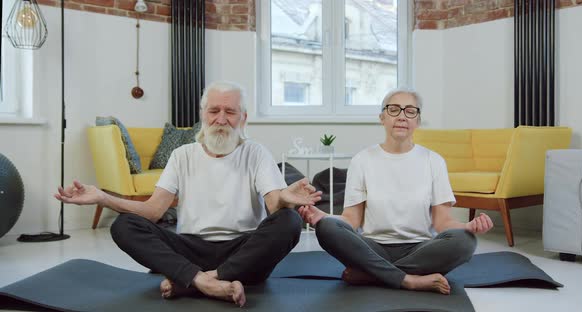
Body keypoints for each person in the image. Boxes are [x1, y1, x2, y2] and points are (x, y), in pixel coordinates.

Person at [55, 81, 322, 307]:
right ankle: (204, 281)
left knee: (289, 221)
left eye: (230, 111)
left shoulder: (256, 152)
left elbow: (274, 205)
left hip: (243, 252)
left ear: (244, 117)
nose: (221, 119)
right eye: (214, 110)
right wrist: (103, 197)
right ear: (202, 114)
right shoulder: (182, 155)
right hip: (190, 249)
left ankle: (197, 280)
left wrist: (286, 199)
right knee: (124, 225)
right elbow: (153, 212)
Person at [298, 88, 493, 295]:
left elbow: (442, 222)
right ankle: (409, 280)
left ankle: (373, 275)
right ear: (382, 117)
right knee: (327, 227)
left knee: (465, 241)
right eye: (394, 110)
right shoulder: (362, 160)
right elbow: (352, 220)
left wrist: (468, 226)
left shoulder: (434, 161)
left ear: (417, 120)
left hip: (420, 249)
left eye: (410, 111)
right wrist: (324, 217)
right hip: (372, 247)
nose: (401, 116)